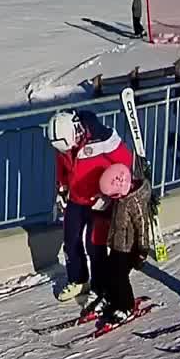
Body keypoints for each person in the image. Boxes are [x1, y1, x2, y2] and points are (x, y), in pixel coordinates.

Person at [46, 109, 133, 302]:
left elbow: (125, 163)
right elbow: (62, 167)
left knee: (95, 245)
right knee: (71, 240)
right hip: (76, 200)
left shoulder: (102, 139)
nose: (67, 151)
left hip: (100, 201)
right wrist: (62, 189)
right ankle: (78, 279)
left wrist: (112, 193)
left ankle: (100, 285)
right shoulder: (64, 145)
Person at [89, 162, 153, 325]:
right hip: (118, 244)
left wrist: (142, 250)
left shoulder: (135, 202)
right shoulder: (122, 197)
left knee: (120, 277)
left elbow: (144, 226)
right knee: (110, 271)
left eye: (114, 196)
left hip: (129, 248)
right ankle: (111, 298)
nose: (113, 199)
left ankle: (126, 305)